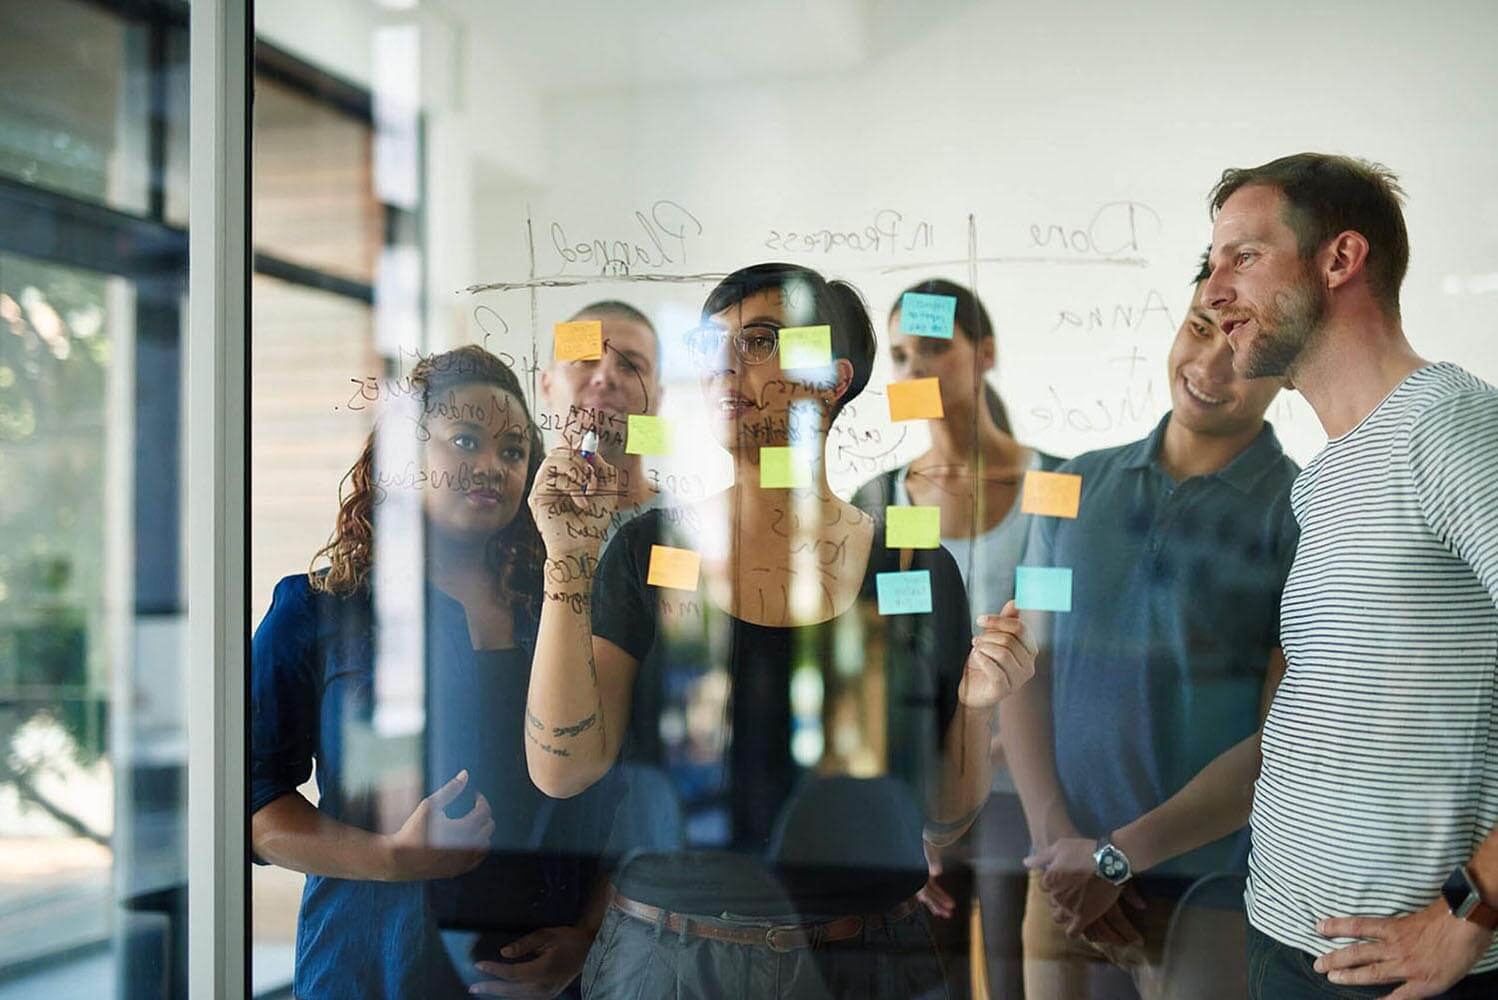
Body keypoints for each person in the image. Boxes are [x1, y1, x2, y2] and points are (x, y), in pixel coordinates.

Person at [523, 262, 1038, 999]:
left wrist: (983, 700)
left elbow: (943, 816)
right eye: (714, 347)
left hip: (863, 961)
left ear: (831, 379)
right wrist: (568, 561)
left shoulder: (911, 560)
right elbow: (562, 769)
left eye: (761, 340)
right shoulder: (649, 548)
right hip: (670, 962)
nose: (728, 365)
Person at [1201, 153, 1498, 998]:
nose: (1215, 291)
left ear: (1340, 260)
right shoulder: (1326, 475)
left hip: (1405, 968)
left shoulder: (1449, 429)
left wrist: (1470, 910)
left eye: (1244, 257)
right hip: (1286, 936)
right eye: (1212, 264)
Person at [250, 346, 619, 999]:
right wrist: (392, 858)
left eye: (512, 452)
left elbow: (621, 796)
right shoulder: (317, 611)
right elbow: (253, 806)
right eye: (465, 441)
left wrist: (587, 939)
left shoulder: (558, 615)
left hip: (543, 978)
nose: (491, 467)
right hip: (369, 970)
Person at [1002, 254, 1299, 999]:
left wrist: (1115, 859)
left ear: (1289, 375)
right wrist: (1058, 850)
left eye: (1240, 352)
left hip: (1206, 899)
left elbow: (1283, 740)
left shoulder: (1301, 515)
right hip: (1060, 882)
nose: (1207, 364)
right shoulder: (1065, 488)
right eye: (1200, 327)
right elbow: (1024, 665)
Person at [852, 278, 1063, 998]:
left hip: (1027, 788)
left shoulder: (1054, 483)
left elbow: (1057, 638)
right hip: (923, 795)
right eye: (903, 356)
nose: (916, 372)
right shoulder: (882, 502)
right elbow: (883, 659)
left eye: (935, 349)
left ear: (987, 353)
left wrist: (996, 743)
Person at [540, 300, 666, 547]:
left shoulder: (684, 530)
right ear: (547, 386)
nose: (604, 378)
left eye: (631, 367)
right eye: (585, 360)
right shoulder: (505, 517)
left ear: (657, 401)